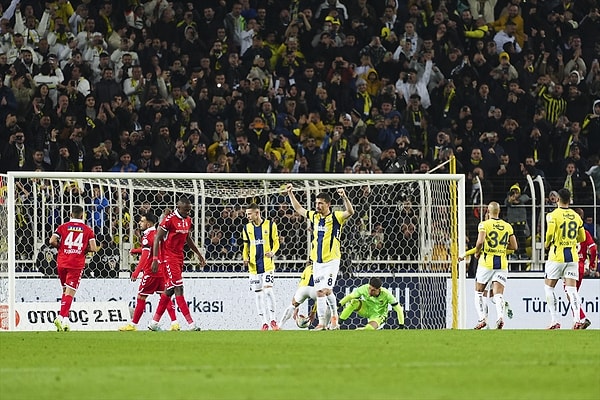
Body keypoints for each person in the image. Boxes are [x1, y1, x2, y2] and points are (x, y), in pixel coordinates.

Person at [286, 184, 355, 330]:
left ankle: (323, 322)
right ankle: (332, 320)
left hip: (332, 260)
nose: (317, 206)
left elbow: (350, 211)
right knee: (324, 292)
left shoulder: (336, 217)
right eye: (316, 203)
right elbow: (299, 209)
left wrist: (344, 197)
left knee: (323, 291)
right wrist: (291, 194)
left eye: (320, 203)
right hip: (317, 262)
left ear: (328, 204)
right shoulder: (315, 216)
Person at [148, 197, 206, 331]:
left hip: (179, 258)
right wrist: (155, 259)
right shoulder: (169, 220)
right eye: (186, 210)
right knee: (179, 288)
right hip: (169, 258)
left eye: (189, 210)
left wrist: (198, 254)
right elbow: (157, 238)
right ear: (178, 208)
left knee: (169, 291)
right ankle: (191, 324)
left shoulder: (188, 220)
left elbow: (188, 238)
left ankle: (154, 323)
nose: (188, 213)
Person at [119, 213, 178, 331]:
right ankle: (175, 323)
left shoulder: (147, 236)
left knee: (141, 297)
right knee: (164, 297)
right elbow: (151, 249)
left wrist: (136, 271)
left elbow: (145, 256)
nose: (140, 223)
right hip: (162, 271)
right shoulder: (158, 234)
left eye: (142, 221)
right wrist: (137, 250)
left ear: (148, 223)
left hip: (151, 272)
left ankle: (133, 325)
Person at [49, 205, 98, 331]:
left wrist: (61, 247)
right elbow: (93, 248)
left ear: (71, 215)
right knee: (70, 292)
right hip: (75, 263)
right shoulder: (88, 230)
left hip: (62, 262)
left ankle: (65, 319)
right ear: (82, 216)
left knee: (65, 291)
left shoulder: (63, 227)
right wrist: (83, 249)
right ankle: (61, 318)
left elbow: (52, 241)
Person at [543, 188, 587, 330]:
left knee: (549, 288)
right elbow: (582, 238)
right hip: (572, 256)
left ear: (558, 199)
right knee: (571, 290)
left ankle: (555, 320)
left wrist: (546, 244)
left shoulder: (553, 215)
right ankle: (577, 320)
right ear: (569, 200)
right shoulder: (576, 216)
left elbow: (549, 233)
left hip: (557, 256)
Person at [471, 201, 517, 330]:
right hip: (501, 263)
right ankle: (500, 317)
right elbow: (514, 246)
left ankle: (482, 319)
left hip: (486, 263)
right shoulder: (507, 226)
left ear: (488, 212)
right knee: (498, 294)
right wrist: (501, 248)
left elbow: (480, 241)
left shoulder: (484, 224)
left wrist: (477, 253)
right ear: (499, 211)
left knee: (479, 292)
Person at [242, 203, 281, 331]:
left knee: (268, 291)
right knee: (258, 295)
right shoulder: (246, 228)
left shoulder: (270, 225)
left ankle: (273, 320)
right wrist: (245, 258)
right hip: (253, 267)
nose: (247, 216)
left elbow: (276, 242)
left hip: (267, 265)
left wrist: (273, 252)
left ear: (257, 213)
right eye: (246, 214)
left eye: (249, 214)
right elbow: (246, 247)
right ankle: (264, 323)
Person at [338, 277, 405, 330]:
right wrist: (338, 305)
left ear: (379, 289)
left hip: (378, 315)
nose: (370, 292)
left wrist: (401, 325)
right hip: (366, 309)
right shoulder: (364, 288)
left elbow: (398, 309)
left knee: (369, 329)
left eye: (373, 290)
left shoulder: (386, 294)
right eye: (369, 288)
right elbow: (350, 296)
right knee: (354, 302)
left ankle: (363, 329)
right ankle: (337, 324)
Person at [569, 208, 597, 329]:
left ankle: (581, 318)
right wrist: (591, 264)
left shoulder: (568, 232)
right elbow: (594, 248)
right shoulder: (585, 233)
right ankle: (577, 321)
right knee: (572, 294)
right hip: (580, 268)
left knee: (571, 294)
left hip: (570, 267)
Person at [278, 262, 319, 329]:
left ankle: (280, 325)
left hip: (303, 289)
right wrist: (313, 312)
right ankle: (325, 324)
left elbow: (300, 286)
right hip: (315, 290)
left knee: (292, 305)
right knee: (324, 300)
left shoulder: (307, 269)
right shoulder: (321, 268)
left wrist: (296, 308)